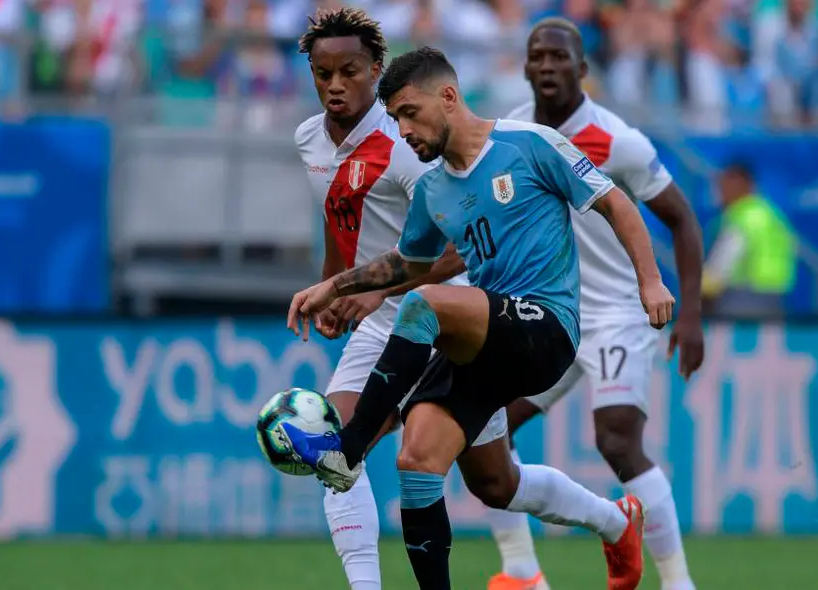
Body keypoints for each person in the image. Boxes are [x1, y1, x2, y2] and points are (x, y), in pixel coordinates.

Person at [280, 46, 675, 590]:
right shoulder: (435, 188)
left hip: (546, 327)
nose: (403, 130)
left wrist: (649, 279)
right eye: (394, 119)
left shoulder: (529, 143)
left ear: (448, 96)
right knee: (431, 466)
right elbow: (407, 263)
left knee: (424, 306)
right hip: (486, 341)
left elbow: (615, 204)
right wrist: (334, 284)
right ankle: (615, 523)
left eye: (410, 113)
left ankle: (347, 451)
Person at [486, 18, 706, 590]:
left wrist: (691, 314)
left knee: (615, 439)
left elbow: (683, 221)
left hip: (617, 314)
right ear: (525, 65)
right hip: (549, 314)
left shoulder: (617, 141)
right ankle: (522, 573)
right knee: (484, 427)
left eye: (560, 57)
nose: (548, 67)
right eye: (538, 56)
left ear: (583, 69)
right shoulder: (508, 131)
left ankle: (678, 582)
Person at [293, 9, 483, 590]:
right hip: (378, 321)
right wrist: (334, 286)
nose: (334, 85)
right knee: (335, 454)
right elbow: (339, 218)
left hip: (448, 318)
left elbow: (457, 250)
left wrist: (374, 292)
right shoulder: (308, 138)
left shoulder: (403, 146)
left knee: (497, 482)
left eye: (349, 71)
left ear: (376, 69)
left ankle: (607, 521)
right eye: (322, 73)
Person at [703, 162, 796, 319]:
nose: (720, 193)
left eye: (724, 187)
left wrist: (700, 291)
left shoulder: (741, 219)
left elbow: (721, 267)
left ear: (742, 186)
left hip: (743, 298)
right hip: (775, 296)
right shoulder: (769, 213)